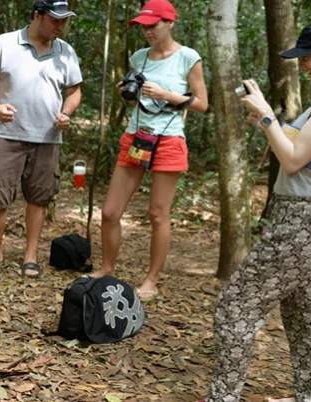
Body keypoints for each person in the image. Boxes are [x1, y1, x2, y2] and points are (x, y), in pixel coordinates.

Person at [200, 18, 311, 402]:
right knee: (303, 313)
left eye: (308, 55)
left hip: (304, 218)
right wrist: (268, 123)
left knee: (236, 305)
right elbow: (297, 151)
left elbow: (293, 161)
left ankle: (222, 397)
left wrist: (267, 115)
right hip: (304, 215)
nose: (303, 63)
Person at [89, 0, 208, 300]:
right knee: (110, 211)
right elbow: (137, 98)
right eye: (143, 27)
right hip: (136, 136)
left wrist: (166, 94)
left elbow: (202, 104)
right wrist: (129, 94)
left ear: (170, 23)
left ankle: (151, 280)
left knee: (157, 214)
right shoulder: (139, 57)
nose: (147, 32)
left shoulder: (188, 57)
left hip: (168, 139)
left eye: (153, 25)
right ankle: (106, 269)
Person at [0, 0, 83, 278]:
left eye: (64, 20)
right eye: (54, 20)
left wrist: (66, 113)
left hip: (48, 137)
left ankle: (30, 257)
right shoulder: (5, 43)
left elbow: (74, 91)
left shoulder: (66, 51)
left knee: (39, 196)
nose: (60, 26)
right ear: (37, 15)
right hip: (7, 134)